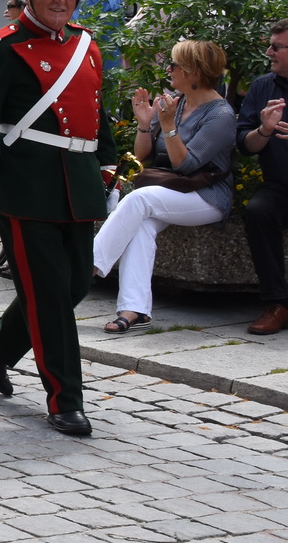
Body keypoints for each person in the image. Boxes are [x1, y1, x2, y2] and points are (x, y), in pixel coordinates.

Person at [0, 0, 117, 437]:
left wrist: (108, 169)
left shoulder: (86, 44)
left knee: (74, 284)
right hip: (25, 186)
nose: (61, 1)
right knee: (48, 295)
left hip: (78, 182)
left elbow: (97, 112)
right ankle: (65, 399)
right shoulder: (3, 48)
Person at [95, 40, 235, 333]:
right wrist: (145, 123)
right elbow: (143, 154)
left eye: (174, 65)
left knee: (140, 199)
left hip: (206, 196)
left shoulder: (220, 115)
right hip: (171, 190)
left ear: (194, 71)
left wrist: (169, 125)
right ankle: (134, 310)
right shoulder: (177, 102)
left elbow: (186, 164)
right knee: (142, 225)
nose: (168, 69)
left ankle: (88, 265)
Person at [238, 18, 288, 335]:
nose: (269, 52)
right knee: (258, 211)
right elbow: (245, 146)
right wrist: (264, 130)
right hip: (280, 186)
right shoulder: (262, 87)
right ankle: (277, 303)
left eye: (276, 47)